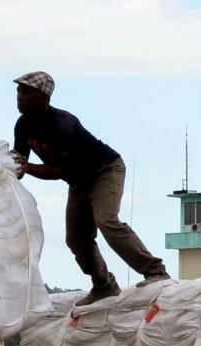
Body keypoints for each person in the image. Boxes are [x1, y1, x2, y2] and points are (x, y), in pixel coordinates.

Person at [12, 71, 170, 306]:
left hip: (104, 170)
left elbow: (59, 171)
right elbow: (20, 165)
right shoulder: (23, 125)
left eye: (27, 93)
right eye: (18, 91)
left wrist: (29, 167)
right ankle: (104, 284)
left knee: (106, 220)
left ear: (44, 97)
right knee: (76, 239)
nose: (19, 97)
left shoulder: (63, 125)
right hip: (78, 181)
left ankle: (155, 271)